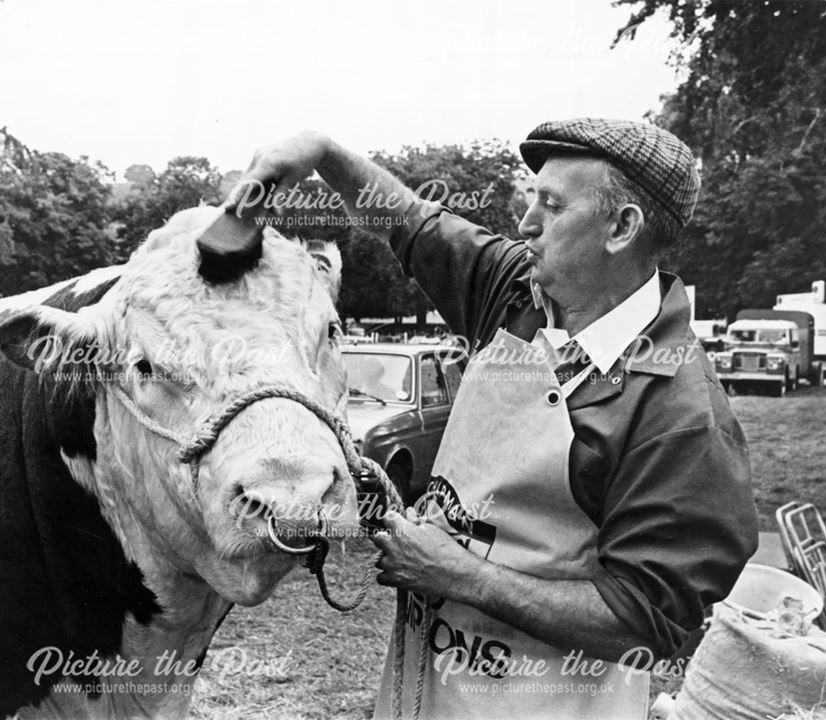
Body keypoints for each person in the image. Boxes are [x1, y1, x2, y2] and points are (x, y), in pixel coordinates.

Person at [228, 119, 758, 720]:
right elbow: (412, 223)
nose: (526, 223)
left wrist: (458, 575)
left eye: (552, 205)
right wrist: (323, 153)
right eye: (532, 198)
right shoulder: (518, 292)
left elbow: (647, 621)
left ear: (622, 227)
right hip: (429, 688)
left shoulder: (681, 412)